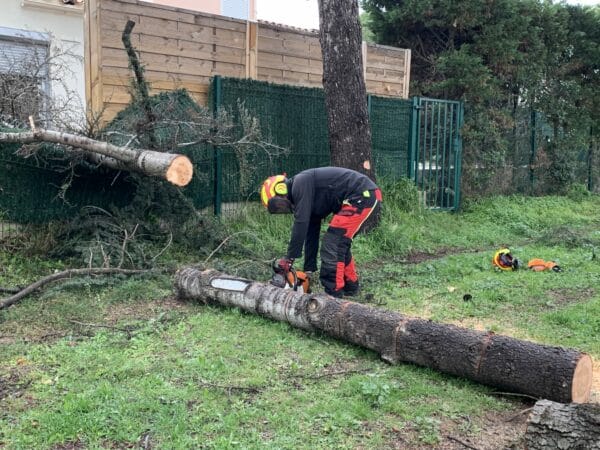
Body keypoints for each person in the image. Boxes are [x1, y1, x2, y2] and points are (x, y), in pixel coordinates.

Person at [260, 167, 382, 298]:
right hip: (361, 196)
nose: (281, 209)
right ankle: (350, 287)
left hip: (361, 195)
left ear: (281, 189)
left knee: (333, 244)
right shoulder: (305, 193)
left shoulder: (299, 184)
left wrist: (289, 258)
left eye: (278, 205)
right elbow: (311, 231)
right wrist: (309, 269)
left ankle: (333, 294)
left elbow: (301, 223)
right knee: (339, 244)